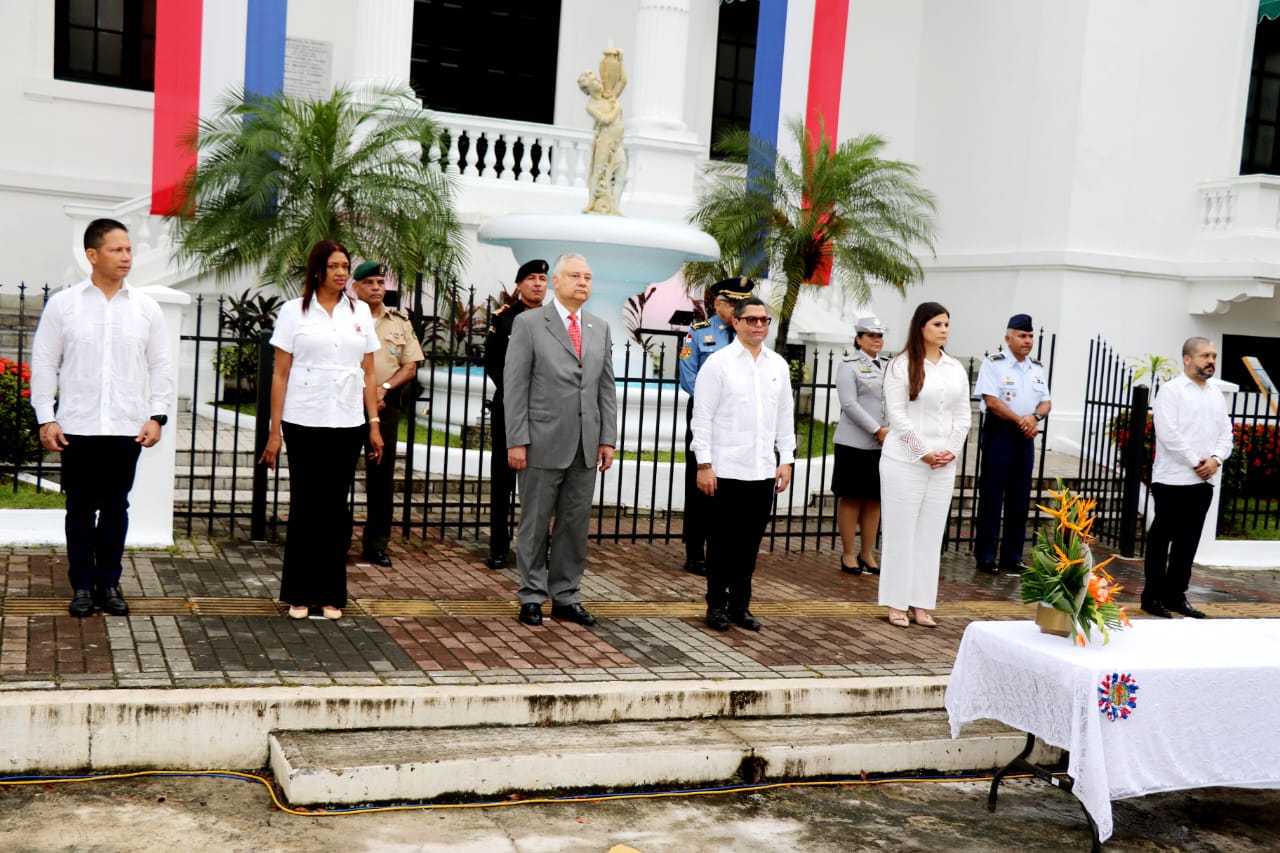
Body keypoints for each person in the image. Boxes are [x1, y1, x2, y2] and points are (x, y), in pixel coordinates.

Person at [30, 218, 175, 618]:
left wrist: (157, 416)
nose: (127, 256)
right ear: (92, 255)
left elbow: (161, 365)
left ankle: (108, 583)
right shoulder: (64, 304)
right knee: (78, 508)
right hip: (76, 426)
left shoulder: (146, 308)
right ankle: (81, 587)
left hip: (126, 427)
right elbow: (44, 361)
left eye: (129, 249)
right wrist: (46, 417)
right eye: (117, 249)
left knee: (116, 508)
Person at [260, 240, 384, 621]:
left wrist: (373, 425)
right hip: (303, 420)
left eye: (345, 265)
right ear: (318, 270)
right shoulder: (293, 312)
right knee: (305, 507)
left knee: (335, 510)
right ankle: (299, 593)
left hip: (347, 423)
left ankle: (331, 594)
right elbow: (280, 374)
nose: (342, 272)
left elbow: (367, 371)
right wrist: (274, 431)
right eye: (334, 266)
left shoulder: (359, 310)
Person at [503, 253, 616, 627]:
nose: (583, 283)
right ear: (556, 281)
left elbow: (605, 388)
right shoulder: (530, 323)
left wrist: (607, 439)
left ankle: (566, 595)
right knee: (534, 523)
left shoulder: (599, 327)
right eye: (575, 276)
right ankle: (532, 595)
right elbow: (515, 386)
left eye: (588, 277)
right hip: (541, 441)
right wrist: (516, 439)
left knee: (574, 523)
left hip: (586, 445)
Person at [690, 296, 795, 632]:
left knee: (749, 545)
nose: (759, 325)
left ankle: (740, 605)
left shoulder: (777, 364)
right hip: (725, 470)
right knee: (720, 544)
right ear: (735, 322)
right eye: (751, 320)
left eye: (764, 320)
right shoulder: (718, 363)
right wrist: (704, 464)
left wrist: (787, 459)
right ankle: (716, 606)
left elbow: (784, 417)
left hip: (762, 470)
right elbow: (702, 417)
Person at [878, 302, 971, 629]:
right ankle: (896, 602)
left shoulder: (955, 368)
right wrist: (923, 452)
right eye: (937, 324)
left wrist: (951, 451)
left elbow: (963, 416)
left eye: (947, 324)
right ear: (921, 328)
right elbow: (898, 416)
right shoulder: (900, 366)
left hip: (943, 465)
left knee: (930, 535)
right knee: (901, 533)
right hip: (904, 461)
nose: (944, 330)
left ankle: (921, 603)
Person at [1141, 337, 1233, 619]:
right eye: (1205, 355)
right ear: (1188, 359)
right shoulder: (1171, 391)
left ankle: (1175, 595)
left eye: (1214, 356)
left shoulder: (1216, 393)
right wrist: (1197, 462)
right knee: (1161, 538)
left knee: (1188, 541)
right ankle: (1152, 597)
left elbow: (1226, 433)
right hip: (1172, 479)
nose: (1211, 361)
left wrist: (1216, 459)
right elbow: (1168, 434)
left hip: (1203, 482)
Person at [677, 276, 755, 576]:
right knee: (699, 484)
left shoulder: (749, 335)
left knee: (733, 485)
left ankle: (725, 549)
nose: (739, 309)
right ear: (719, 304)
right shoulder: (699, 333)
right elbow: (688, 376)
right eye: (735, 303)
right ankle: (695, 552)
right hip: (705, 416)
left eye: (743, 303)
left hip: (740, 419)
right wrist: (717, 404)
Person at [352, 261, 424, 568]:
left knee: (381, 477)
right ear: (354, 287)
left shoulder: (399, 321)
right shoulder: (345, 319)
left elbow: (410, 365)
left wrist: (382, 389)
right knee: (339, 474)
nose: (377, 288)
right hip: (347, 403)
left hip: (386, 405)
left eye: (380, 283)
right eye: (369, 282)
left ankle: (376, 544)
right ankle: (334, 540)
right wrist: (366, 393)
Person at [483, 259, 549, 570]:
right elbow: (494, 364)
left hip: (545, 412)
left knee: (542, 483)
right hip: (510, 407)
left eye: (543, 279)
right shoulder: (504, 319)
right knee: (503, 480)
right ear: (519, 285)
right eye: (532, 279)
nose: (538, 284)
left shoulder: (554, 320)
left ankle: (538, 548)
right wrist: (520, 396)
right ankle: (499, 547)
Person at [973, 314, 1052, 574]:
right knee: (993, 495)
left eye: (1030, 336)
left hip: (1025, 435)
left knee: (1020, 497)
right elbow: (992, 401)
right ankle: (986, 554)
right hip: (1001, 432)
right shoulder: (994, 364)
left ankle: (1012, 555)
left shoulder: (1036, 367)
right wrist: (1022, 420)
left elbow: (1046, 402)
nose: (1028, 341)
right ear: (1008, 338)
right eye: (1022, 336)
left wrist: (1034, 417)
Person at [833, 315, 890, 576]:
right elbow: (849, 404)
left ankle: (867, 552)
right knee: (852, 498)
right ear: (859, 339)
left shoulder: (890, 366)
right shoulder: (849, 366)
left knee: (874, 499)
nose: (876, 340)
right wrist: (876, 429)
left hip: (883, 444)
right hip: (855, 442)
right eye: (871, 336)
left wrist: (888, 431)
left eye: (879, 336)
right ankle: (848, 553)